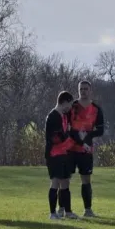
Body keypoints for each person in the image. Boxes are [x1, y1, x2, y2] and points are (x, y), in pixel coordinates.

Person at [64, 81, 104, 218]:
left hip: (86, 150)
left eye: (86, 89)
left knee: (86, 179)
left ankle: (88, 210)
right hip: (70, 148)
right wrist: (76, 137)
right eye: (81, 89)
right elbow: (66, 126)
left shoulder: (96, 108)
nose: (83, 91)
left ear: (90, 90)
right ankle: (62, 209)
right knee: (65, 179)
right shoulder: (72, 107)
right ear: (78, 90)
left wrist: (88, 136)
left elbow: (100, 130)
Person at [45, 91, 78, 220]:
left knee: (66, 182)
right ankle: (52, 213)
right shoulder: (53, 116)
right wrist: (70, 140)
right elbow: (56, 137)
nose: (70, 108)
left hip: (64, 153)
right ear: (64, 102)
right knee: (55, 182)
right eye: (69, 104)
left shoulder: (64, 116)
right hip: (54, 154)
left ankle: (68, 212)